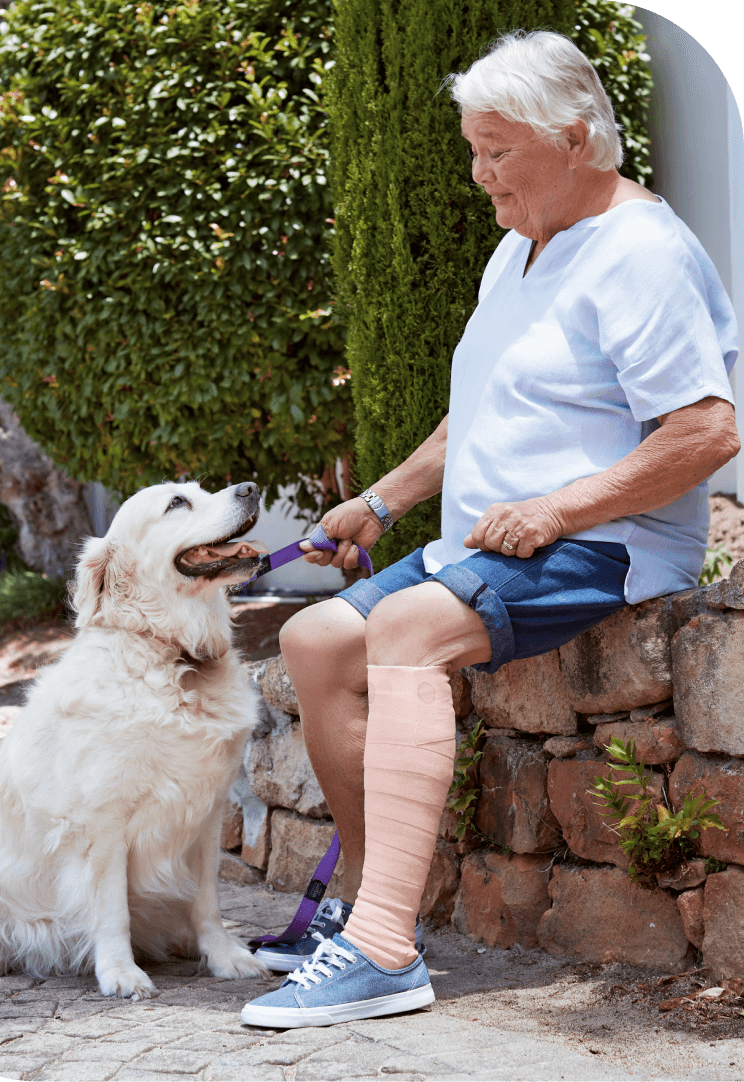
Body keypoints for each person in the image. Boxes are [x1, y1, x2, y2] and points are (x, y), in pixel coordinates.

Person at [240, 29, 739, 1029]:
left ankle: (383, 952)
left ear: (577, 138)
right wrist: (380, 499)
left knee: (403, 631)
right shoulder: (522, 248)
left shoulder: (642, 252)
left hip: (604, 543)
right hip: (484, 542)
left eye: (497, 149)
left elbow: (707, 427)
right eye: (474, 147)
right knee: (314, 637)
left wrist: (561, 507)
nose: (478, 174)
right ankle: (371, 907)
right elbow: (482, 410)